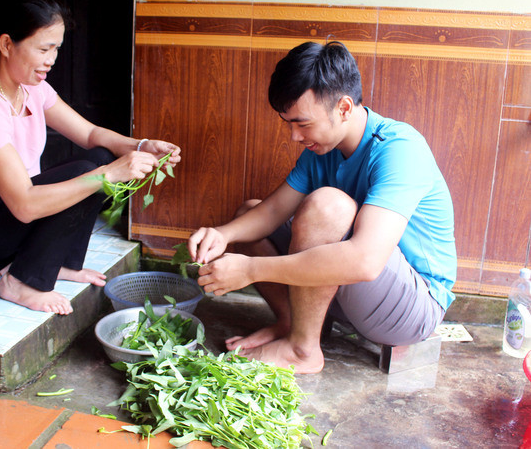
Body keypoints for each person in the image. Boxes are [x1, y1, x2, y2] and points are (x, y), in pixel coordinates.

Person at [188, 41, 456, 373]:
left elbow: (366, 262)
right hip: (348, 298)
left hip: (411, 309)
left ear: (344, 108)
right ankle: (292, 325)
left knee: (327, 206)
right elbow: (271, 213)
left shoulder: (401, 149)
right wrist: (221, 234)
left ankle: (302, 352)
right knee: (248, 215)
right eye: (289, 124)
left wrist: (251, 270)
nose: (294, 136)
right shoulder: (321, 150)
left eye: (302, 123)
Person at [0, 0, 180, 315]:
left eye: (56, 49)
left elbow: (89, 133)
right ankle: (20, 282)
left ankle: (59, 263)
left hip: (7, 207)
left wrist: (142, 146)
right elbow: (25, 205)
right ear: (6, 45)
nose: (52, 59)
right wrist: (111, 174)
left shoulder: (31, 86)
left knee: (100, 158)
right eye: (44, 48)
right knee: (92, 173)